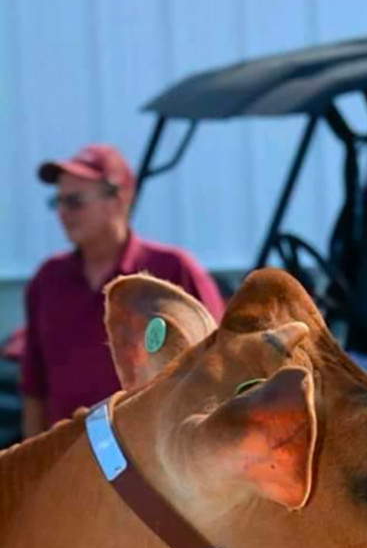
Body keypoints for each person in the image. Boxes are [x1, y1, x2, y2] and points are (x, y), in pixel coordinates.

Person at [20, 143, 225, 438]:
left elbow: (219, 368)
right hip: (70, 469)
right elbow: (34, 390)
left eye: (75, 201)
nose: (63, 213)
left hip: (154, 468)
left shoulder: (172, 270)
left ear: (119, 198)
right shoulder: (47, 280)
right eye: (58, 202)